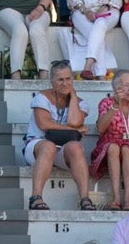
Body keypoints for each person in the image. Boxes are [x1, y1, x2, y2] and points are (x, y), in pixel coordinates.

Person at [24, 61, 93, 213]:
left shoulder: (80, 103)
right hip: (37, 146)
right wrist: (75, 129)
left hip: (63, 151)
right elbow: (44, 124)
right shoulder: (42, 97)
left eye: (68, 79)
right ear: (52, 81)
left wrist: (73, 97)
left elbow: (75, 121)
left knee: (76, 147)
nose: (65, 83)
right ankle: (36, 197)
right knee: (48, 146)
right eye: (60, 80)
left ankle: (85, 199)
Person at [88, 73, 129, 210]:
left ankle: (128, 200)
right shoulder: (106, 103)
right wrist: (115, 106)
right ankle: (116, 199)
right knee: (114, 147)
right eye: (126, 85)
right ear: (116, 89)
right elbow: (101, 128)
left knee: (127, 148)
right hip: (109, 148)